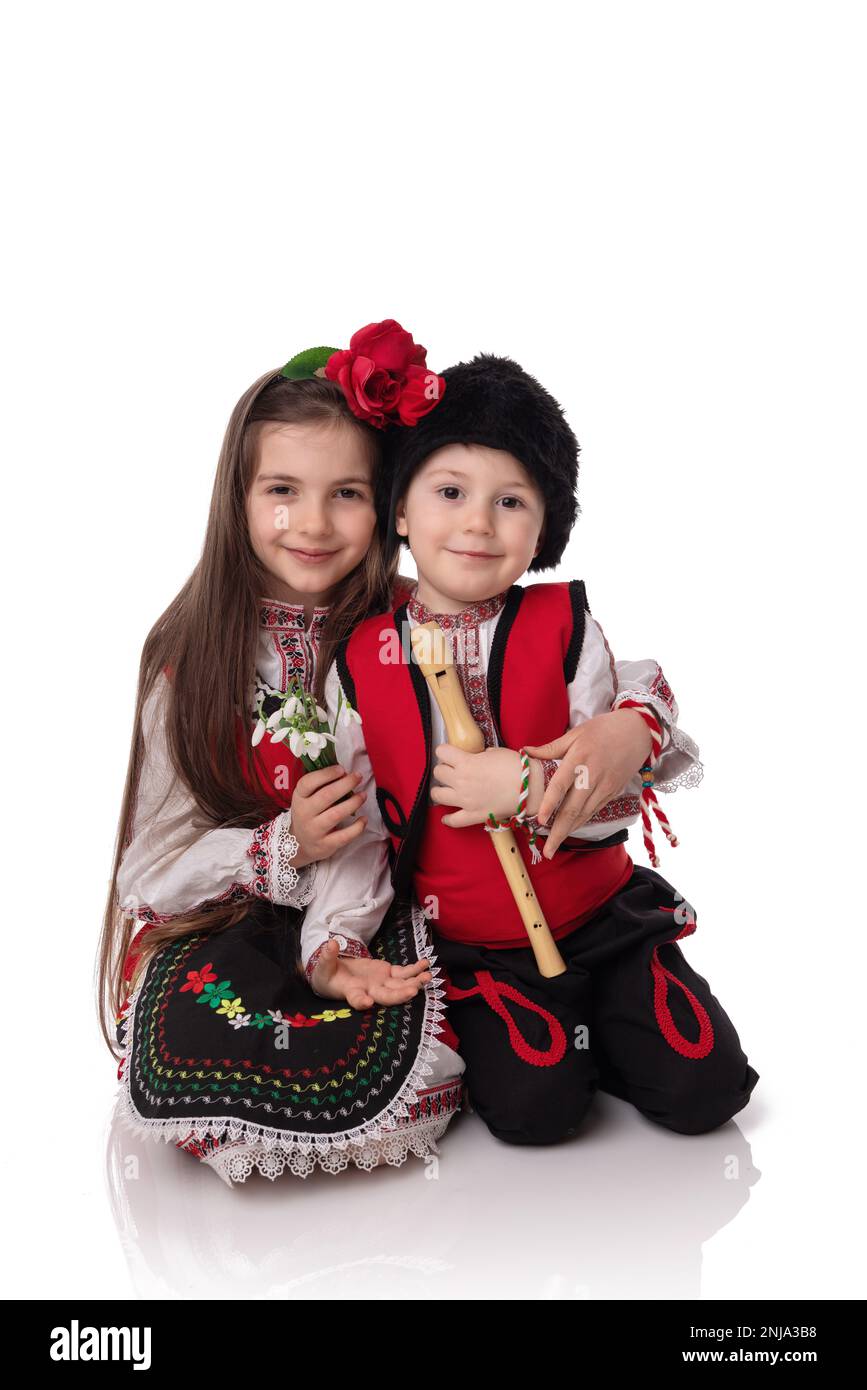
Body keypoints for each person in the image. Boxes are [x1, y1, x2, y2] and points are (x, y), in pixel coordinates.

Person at [300, 350, 760, 1145]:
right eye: (449, 492)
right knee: (535, 1115)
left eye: (510, 501)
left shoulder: (564, 629)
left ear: (543, 525)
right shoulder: (358, 664)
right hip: (477, 944)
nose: (478, 522)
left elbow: (616, 790)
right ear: (399, 509)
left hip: (598, 913)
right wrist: (336, 939)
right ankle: (571, 1043)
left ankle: (617, 1012)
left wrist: (527, 783)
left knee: (706, 1091)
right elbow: (370, 834)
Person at [99, 320, 470, 1185]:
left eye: (346, 492)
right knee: (212, 1063)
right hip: (235, 921)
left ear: (390, 505)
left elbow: (547, 672)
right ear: (237, 497)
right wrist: (283, 849)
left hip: (384, 905)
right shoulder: (192, 653)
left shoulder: (422, 620)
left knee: (468, 1025)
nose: (311, 523)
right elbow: (149, 871)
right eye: (281, 490)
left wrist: (614, 731)